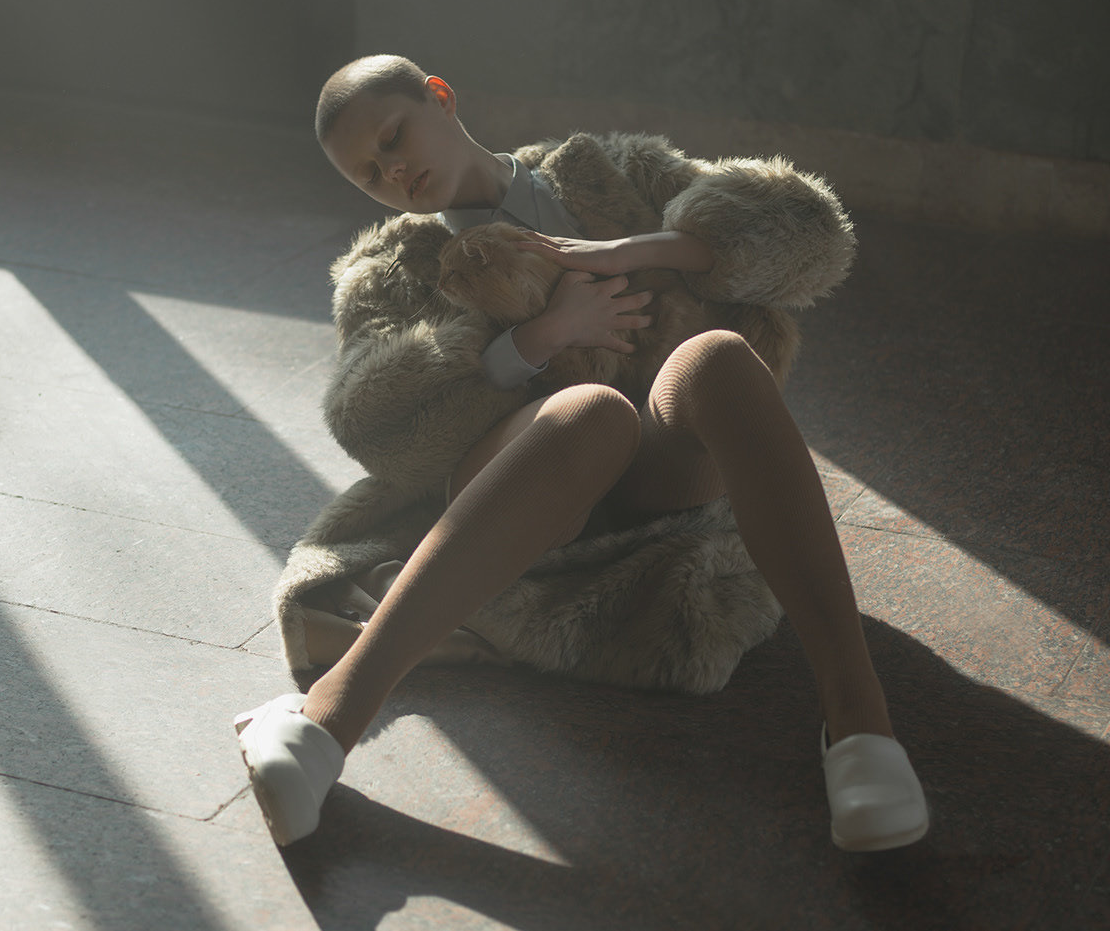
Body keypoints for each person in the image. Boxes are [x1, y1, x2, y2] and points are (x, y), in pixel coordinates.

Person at [233, 55, 929, 852]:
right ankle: (326, 722)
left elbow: (806, 231)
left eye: (394, 136)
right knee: (590, 411)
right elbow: (379, 426)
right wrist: (537, 339)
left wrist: (630, 251)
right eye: (368, 173)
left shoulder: (611, 167)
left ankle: (859, 720)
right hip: (520, 477)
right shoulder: (386, 271)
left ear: (441, 96)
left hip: (657, 474)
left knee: (720, 359)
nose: (393, 170)